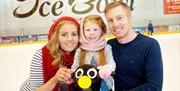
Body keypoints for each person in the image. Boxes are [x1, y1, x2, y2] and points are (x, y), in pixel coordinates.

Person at [104, 1, 163, 91]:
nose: (115, 24)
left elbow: (154, 87)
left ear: (130, 18)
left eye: (119, 18)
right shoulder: (110, 46)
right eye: (110, 20)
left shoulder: (150, 45)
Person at [20, 16, 80, 91]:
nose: (70, 39)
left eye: (74, 34)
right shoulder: (41, 55)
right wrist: (55, 79)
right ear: (56, 36)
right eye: (64, 34)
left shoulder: (81, 54)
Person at [71, 15, 116, 91]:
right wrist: (71, 74)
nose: (92, 33)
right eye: (88, 30)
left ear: (101, 31)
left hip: (104, 86)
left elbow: (112, 64)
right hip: (85, 87)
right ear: (82, 31)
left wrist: (106, 69)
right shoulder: (80, 50)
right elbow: (75, 67)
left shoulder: (106, 47)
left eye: (95, 29)